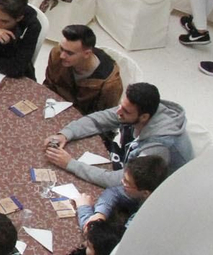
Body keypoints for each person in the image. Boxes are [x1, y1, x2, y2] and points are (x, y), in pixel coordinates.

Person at [44, 81, 194, 188]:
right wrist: (65, 134)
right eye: (121, 106)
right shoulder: (138, 109)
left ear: (144, 117)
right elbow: (100, 119)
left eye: (125, 111)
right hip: (123, 161)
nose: (118, 113)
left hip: (150, 192)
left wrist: (70, 163)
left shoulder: (159, 148)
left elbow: (120, 180)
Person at [43, 24, 123, 115]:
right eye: (62, 49)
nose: (62, 56)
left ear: (87, 54)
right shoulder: (56, 54)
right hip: (54, 109)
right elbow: (48, 86)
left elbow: (104, 119)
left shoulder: (109, 85)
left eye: (69, 53)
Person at [77, 153, 169, 227]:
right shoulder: (149, 192)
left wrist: (84, 208)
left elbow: (98, 241)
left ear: (145, 193)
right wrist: (100, 214)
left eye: (127, 183)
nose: (122, 182)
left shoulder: (142, 220)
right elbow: (113, 192)